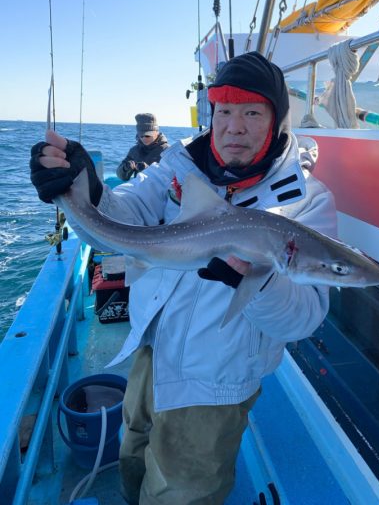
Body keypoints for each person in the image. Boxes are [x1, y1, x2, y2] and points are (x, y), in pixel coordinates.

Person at [30, 51, 337, 505]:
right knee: (132, 458)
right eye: (225, 111)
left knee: (182, 493)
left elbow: (303, 320)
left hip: (214, 386)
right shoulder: (182, 166)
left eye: (252, 112)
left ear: (276, 120)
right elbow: (123, 216)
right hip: (151, 351)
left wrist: (257, 281)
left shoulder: (306, 203)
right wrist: (83, 188)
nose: (234, 126)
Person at [116, 113, 169, 181]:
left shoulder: (167, 151)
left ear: (157, 132)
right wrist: (125, 168)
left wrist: (148, 170)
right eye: (141, 136)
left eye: (147, 135)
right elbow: (122, 177)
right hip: (138, 189)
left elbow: (171, 179)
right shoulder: (134, 150)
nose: (144, 138)